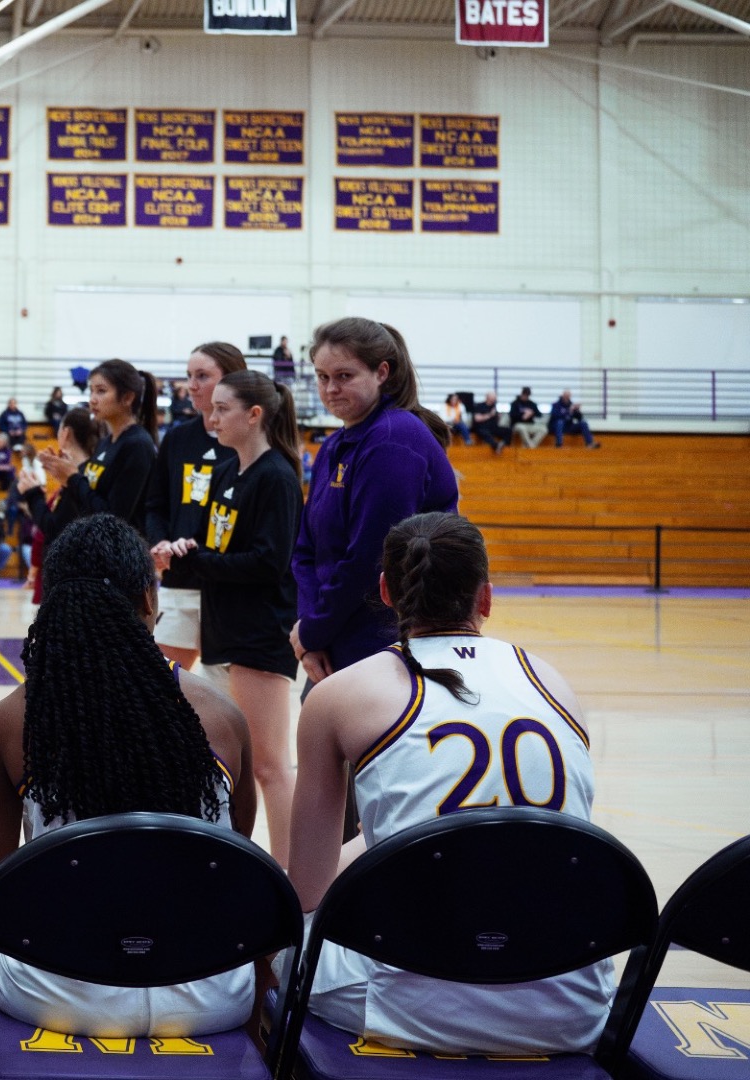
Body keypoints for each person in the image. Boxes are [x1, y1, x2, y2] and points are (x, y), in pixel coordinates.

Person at [288, 512, 606, 1055]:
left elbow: (308, 892)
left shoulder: (339, 694)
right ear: (486, 597)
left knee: (279, 933)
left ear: (386, 591)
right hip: (570, 1006)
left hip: (414, 1002)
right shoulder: (552, 682)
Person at [0, 515, 254, 1037]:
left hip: (59, 991)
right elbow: (233, 856)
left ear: (51, 603)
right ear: (148, 599)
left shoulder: (9, 722)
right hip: (208, 989)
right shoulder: (222, 716)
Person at [156, 371, 302, 863]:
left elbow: (268, 562)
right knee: (228, 762)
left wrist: (199, 561)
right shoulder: (227, 472)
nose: (212, 418)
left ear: (254, 414)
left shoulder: (276, 477)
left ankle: (293, 880)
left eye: (222, 409)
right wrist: (183, 551)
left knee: (269, 766)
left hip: (259, 634)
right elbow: (215, 547)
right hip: (223, 629)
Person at [291, 318, 458, 686]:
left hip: (389, 646)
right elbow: (305, 551)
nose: (330, 388)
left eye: (344, 376)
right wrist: (309, 631)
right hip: (334, 641)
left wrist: (313, 632)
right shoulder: (333, 446)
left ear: (382, 372)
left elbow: (371, 556)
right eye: (322, 377)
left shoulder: (393, 439)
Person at [143, 342, 247, 669]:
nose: (192, 385)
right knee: (159, 683)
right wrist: (160, 542)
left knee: (223, 689)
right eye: (189, 376)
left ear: (231, 380)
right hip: (179, 583)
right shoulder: (177, 439)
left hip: (229, 587)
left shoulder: (248, 442)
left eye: (202, 376)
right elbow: (156, 504)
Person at [28, 359, 158, 534]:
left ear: (127, 398)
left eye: (101, 391)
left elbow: (114, 519)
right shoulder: (105, 442)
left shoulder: (137, 445)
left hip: (122, 549)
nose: (92, 399)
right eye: (91, 391)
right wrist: (63, 471)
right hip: (95, 545)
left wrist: (73, 477)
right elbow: (87, 501)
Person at [16, 407, 108, 551]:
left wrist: (33, 493)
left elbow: (54, 529)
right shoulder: (93, 470)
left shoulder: (77, 477)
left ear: (65, 433)